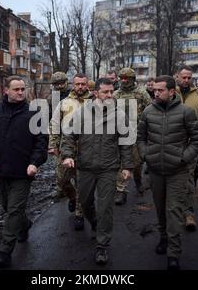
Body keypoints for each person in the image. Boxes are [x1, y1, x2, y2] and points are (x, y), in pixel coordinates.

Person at [0, 76, 48, 268]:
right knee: (9, 208)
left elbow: (41, 143)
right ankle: (24, 225)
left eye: (23, 89)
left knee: (13, 211)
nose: (21, 92)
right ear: (6, 90)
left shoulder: (34, 113)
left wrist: (35, 163)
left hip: (24, 172)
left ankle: (5, 251)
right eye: (16, 89)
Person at [60, 78, 134, 265]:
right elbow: (68, 135)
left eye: (111, 92)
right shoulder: (81, 113)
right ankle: (94, 223)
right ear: (96, 93)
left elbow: (126, 142)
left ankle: (102, 246)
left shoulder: (118, 115)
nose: (110, 95)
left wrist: (127, 166)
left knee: (105, 208)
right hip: (85, 167)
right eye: (105, 92)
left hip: (108, 169)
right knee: (84, 203)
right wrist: (67, 155)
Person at [138, 75, 198, 270]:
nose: (155, 93)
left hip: (178, 172)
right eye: (154, 90)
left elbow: (197, 140)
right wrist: (146, 155)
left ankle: (173, 252)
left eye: (160, 90)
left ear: (171, 91)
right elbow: (140, 138)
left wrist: (183, 158)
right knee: (160, 209)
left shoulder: (186, 112)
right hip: (156, 170)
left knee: (173, 211)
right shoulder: (148, 112)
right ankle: (163, 238)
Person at [49, 73, 91, 230]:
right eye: (77, 84)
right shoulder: (64, 103)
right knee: (63, 181)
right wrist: (53, 145)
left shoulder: (94, 102)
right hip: (65, 149)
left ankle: (79, 214)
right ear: (73, 85)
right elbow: (54, 125)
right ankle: (72, 198)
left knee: (82, 184)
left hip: (86, 150)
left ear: (87, 85)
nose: (80, 87)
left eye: (83, 84)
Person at [175, 65, 198, 231]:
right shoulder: (170, 92)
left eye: (189, 77)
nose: (186, 80)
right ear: (177, 77)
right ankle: (172, 211)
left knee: (189, 177)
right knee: (171, 177)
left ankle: (188, 213)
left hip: (190, 144)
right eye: (184, 77)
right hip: (170, 144)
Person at [113, 67, 152, 205]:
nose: (123, 81)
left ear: (132, 79)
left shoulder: (141, 93)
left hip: (137, 133)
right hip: (120, 134)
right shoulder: (116, 94)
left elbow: (151, 111)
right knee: (121, 162)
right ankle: (121, 190)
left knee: (136, 163)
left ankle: (138, 179)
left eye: (126, 78)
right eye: (121, 78)